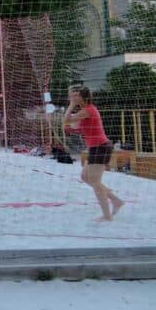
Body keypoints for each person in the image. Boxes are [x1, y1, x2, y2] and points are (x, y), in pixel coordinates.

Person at [64, 85, 124, 221]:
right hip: (95, 148)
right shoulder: (85, 111)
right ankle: (116, 201)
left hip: (101, 147)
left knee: (95, 183)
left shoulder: (89, 110)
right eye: (70, 96)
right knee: (85, 177)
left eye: (73, 95)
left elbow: (67, 120)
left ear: (81, 96)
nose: (70, 98)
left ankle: (107, 216)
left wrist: (70, 106)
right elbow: (70, 124)